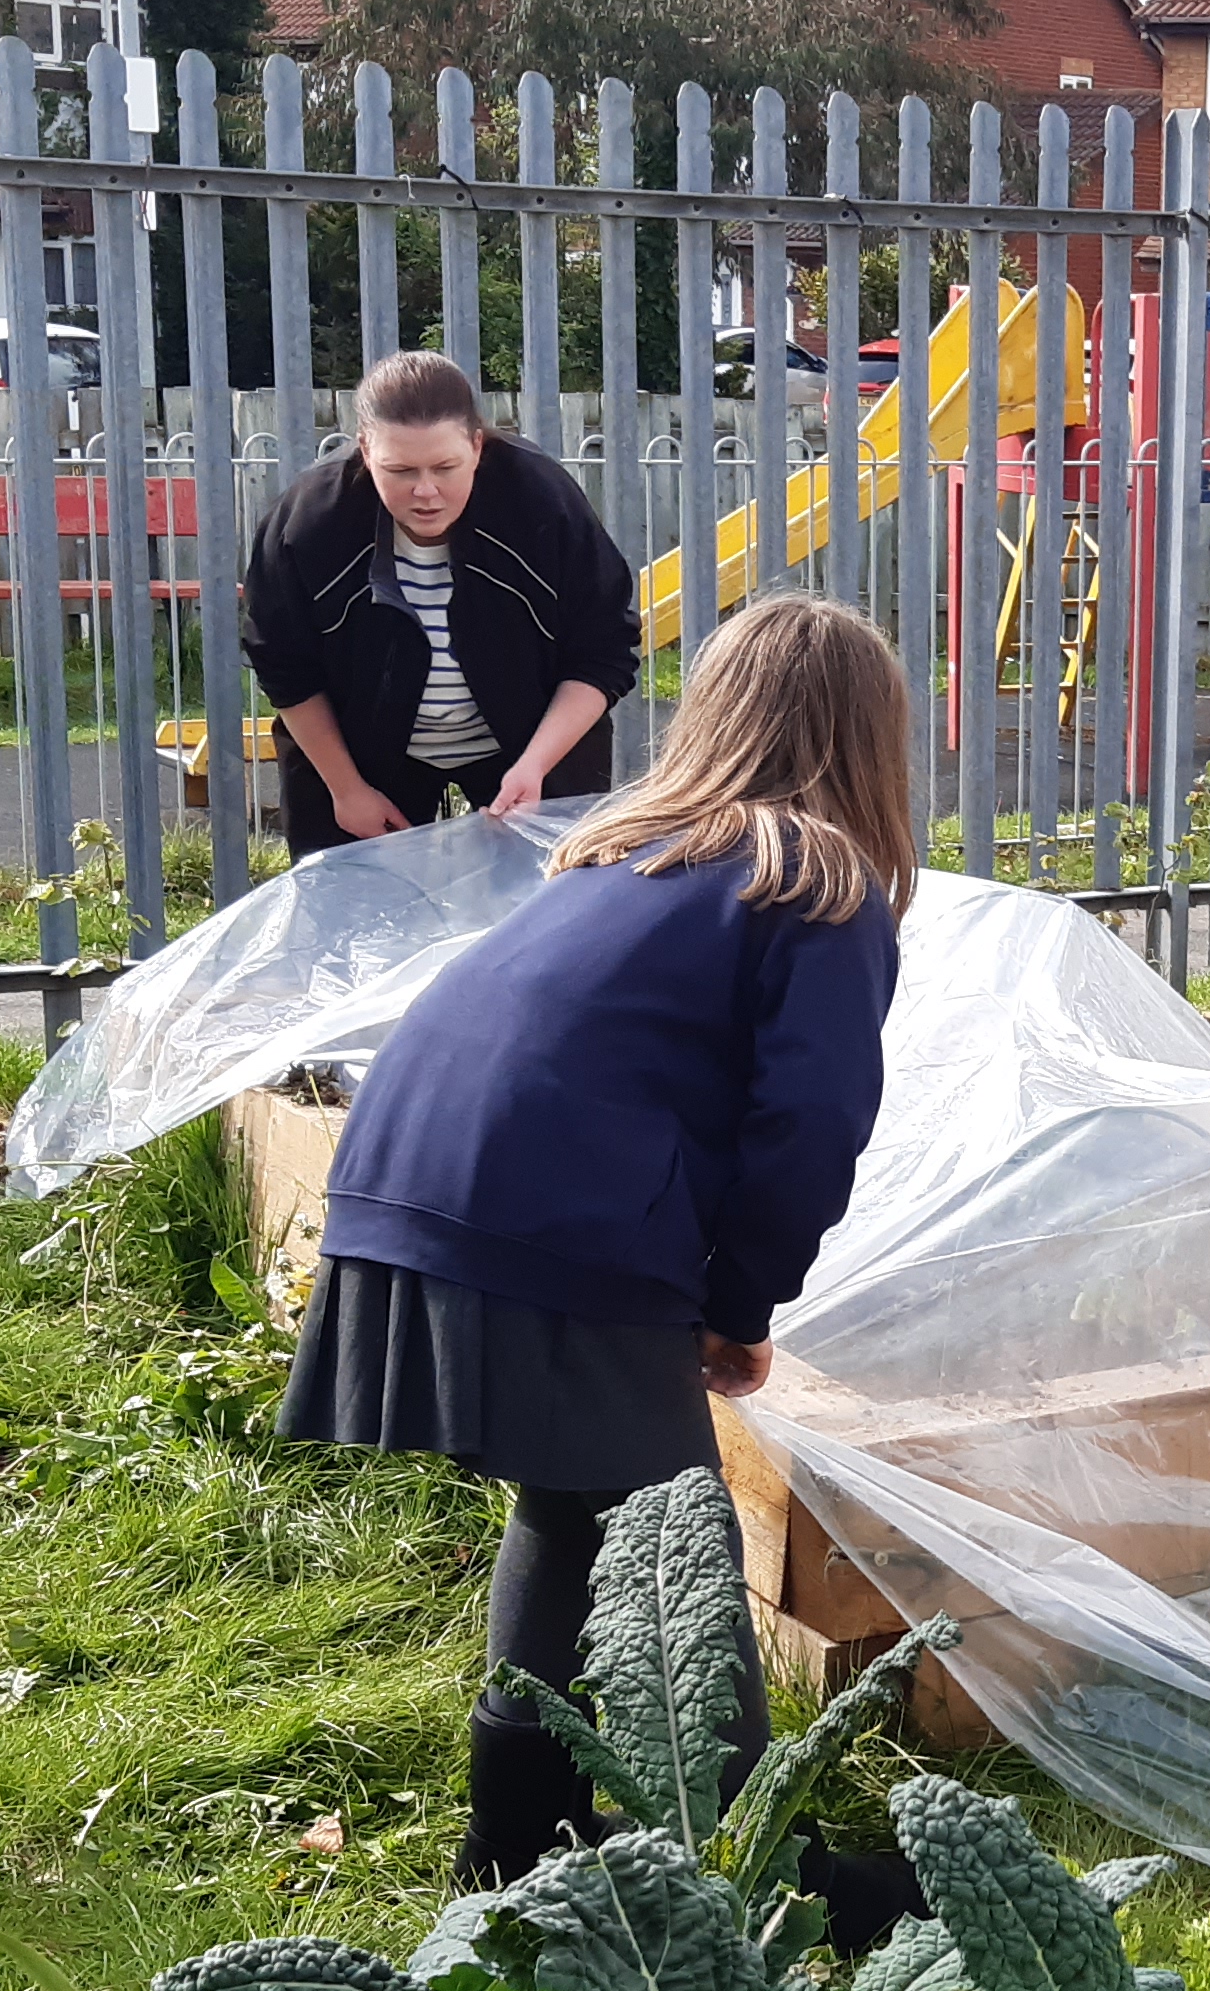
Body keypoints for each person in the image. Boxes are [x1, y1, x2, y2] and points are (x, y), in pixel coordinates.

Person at [280, 593, 915, 1893]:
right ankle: (746, 1866)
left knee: (571, 1512)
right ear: (871, 742)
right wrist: (740, 1306)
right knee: (681, 1535)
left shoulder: (629, 853)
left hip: (404, 1189)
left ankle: (513, 1847)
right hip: (548, 1224)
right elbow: (807, 1132)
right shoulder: (819, 885)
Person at [241, 350, 641, 846]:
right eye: (401, 471)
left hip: (534, 746)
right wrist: (346, 790)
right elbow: (284, 666)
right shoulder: (307, 525)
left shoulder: (543, 503)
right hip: (357, 755)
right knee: (355, 915)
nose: (426, 491)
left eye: (445, 467)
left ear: (476, 446)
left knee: (549, 914)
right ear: (365, 450)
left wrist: (535, 766)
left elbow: (603, 649)